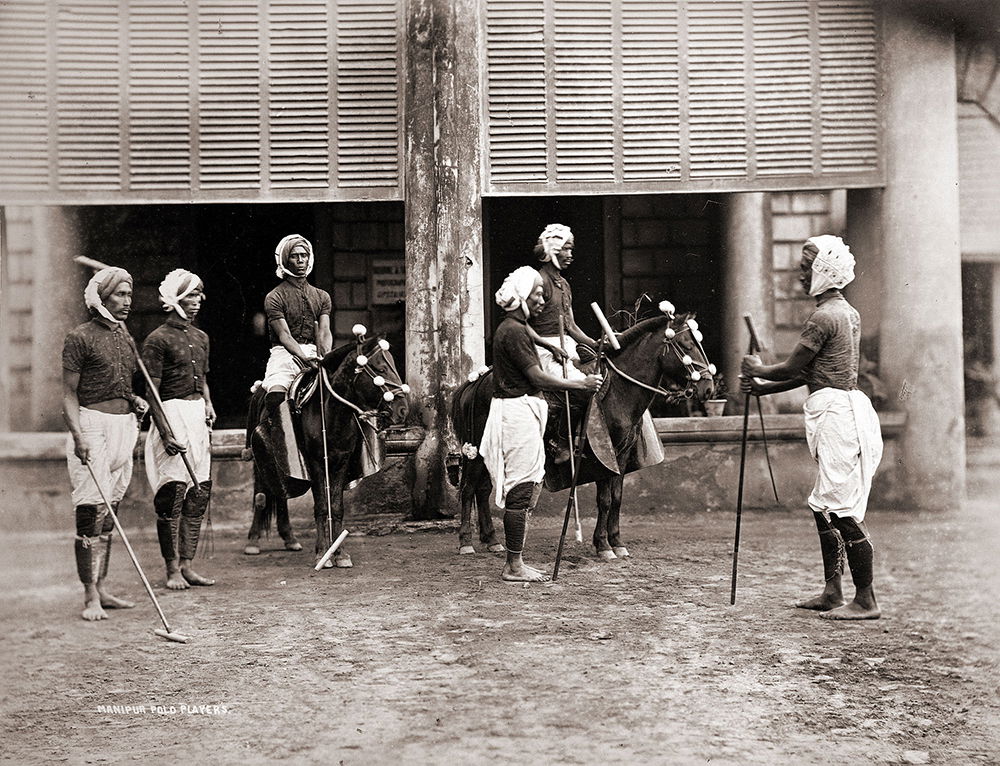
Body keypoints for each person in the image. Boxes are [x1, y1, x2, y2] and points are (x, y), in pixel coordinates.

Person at [741, 235, 884, 620]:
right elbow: (809, 372)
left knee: (839, 508)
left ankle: (866, 600)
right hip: (835, 409)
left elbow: (791, 368)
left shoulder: (825, 316)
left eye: (807, 268)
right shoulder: (844, 312)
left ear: (825, 271)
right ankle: (833, 590)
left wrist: (759, 371)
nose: (801, 275)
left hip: (838, 414)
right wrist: (763, 385)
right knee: (823, 505)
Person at [479, 266, 603, 582]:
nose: (541, 298)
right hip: (517, 412)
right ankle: (513, 566)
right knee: (521, 488)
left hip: (522, 410)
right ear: (521, 297)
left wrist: (550, 345)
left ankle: (515, 562)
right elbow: (536, 376)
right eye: (536, 293)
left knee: (528, 483)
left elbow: (529, 333)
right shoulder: (514, 332)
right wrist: (581, 385)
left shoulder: (514, 326)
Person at [62, 267, 148, 621]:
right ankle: (89, 596)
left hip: (123, 427)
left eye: (129, 295)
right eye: (120, 295)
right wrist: (78, 435)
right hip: (92, 428)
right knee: (90, 512)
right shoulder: (79, 337)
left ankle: (103, 587)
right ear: (102, 298)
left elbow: (119, 382)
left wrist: (134, 399)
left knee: (110, 511)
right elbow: (68, 393)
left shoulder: (126, 338)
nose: (128, 302)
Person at [142, 269, 216, 590]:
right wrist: (165, 431)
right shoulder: (157, 339)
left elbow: (205, 379)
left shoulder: (201, 338)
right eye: (190, 295)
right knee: (172, 493)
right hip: (171, 414)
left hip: (197, 414)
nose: (198, 300)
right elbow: (151, 392)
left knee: (198, 493)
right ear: (174, 299)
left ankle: (188, 565)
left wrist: (209, 404)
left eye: (200, 294)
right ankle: (171, 569)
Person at [252, 234, 333, 495]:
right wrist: (302, 356)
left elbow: (324, 331)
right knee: (275, 396)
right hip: (284, 356)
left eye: (304, 255)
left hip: (314, 354)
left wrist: (325, 355)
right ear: (285, 259)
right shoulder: (274, 297)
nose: (300, 261)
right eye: (295, 256)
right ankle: (278, 453)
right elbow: (284, 335)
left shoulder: (321, 296)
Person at [526, 224, 600, 463]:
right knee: (580, 386)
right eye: (565, 249)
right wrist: (550, 347)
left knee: (599, 375)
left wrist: (596, 344)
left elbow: (571, 326)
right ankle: (558, 441)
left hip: (565, 345)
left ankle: (582, 440)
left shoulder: (564, 284)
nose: (570, 255)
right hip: (542, 349)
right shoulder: (539, 281)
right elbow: (521, 324)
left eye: (571, 249)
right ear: (551, 250)